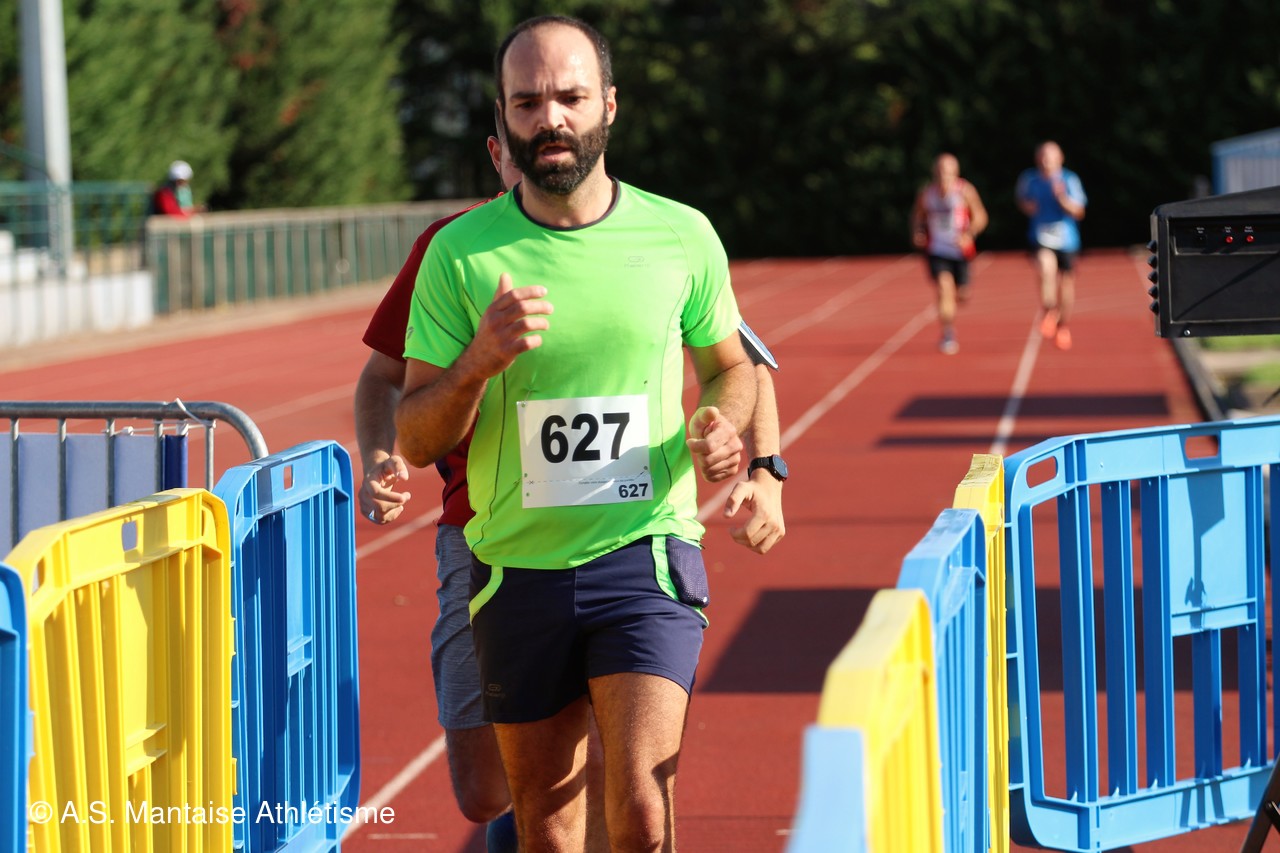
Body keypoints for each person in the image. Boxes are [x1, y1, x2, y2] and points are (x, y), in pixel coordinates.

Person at [357, 120, 785, 851]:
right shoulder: (453, 250)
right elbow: (383, 378)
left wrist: (764, 468)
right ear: (499, 151)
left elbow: (740, 358)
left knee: (629, 784)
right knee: (487, 788)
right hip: (485, 535)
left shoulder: (652, 235)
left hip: (630, 536)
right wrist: (378, 456)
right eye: (516, 140)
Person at [911, 152, 988, 355]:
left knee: (961, 295)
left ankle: (956, 297)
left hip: (960, 250)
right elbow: (918, 216)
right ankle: (948, 332)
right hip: (937, 250)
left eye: (947, 171)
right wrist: (918, 231)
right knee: (944, 288)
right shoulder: (927, 193)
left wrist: (969, 234)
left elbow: (980, 216)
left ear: (955, 172)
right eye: (940, 171)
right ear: (934, 172)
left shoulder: (965, 191)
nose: (943, 175)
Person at [1015, 140, 1087, 351]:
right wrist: (1027, 206)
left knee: (1066, 286)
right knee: (1046, 268)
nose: (1046, 161)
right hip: (1041, 236)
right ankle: (1049, 310)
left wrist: (1062, 198)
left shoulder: (1069, 179)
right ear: (1038, 159)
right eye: (1043, 156)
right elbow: (1021, 199)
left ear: (1059, 159)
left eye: (1050, 157)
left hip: (1067, 239)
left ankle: (1063, 326)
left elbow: (1079, 211)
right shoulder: (1029, 179)